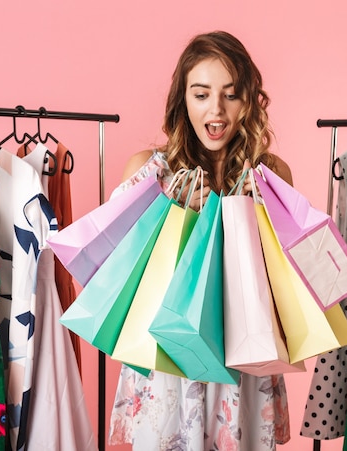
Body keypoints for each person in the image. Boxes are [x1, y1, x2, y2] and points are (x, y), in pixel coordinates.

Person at [108, 30, 293, 450]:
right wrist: (170, 215)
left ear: (249, 100)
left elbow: (286, 291)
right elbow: (117, 283)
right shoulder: (147, 173)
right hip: (167, 366)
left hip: (242, 361)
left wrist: (259, 218)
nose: (217, 110)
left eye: (231, 94)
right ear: (182, 100)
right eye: (202, 94)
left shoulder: (271, 175)